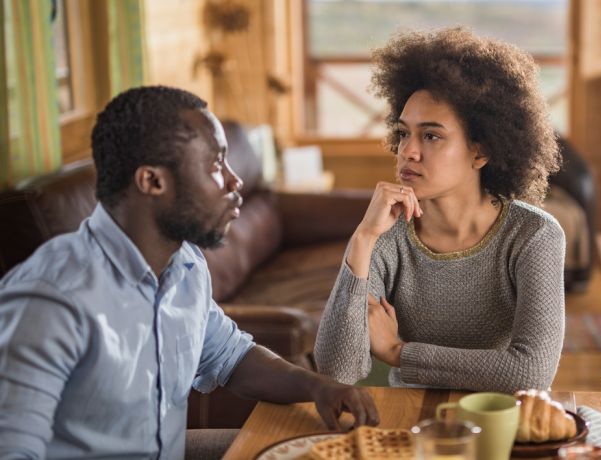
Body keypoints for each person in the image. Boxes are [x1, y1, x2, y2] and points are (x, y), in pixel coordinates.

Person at [0, 86, 378, 459]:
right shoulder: (51, 301)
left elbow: (232, 356)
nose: (235, 181)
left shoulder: (185, 264)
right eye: (216, 165)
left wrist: (318, 387)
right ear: (152, 181)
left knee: (331, 451)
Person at [313, 27, 565, 393]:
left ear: (480, 151)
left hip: (499, 424)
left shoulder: (533, 236)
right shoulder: (387, 234)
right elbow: (337, 371)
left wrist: (400, 352)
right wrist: (363, 238)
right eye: (403, 133)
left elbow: (530, 372)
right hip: (408, 423)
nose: (408, 152)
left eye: (431, 136)